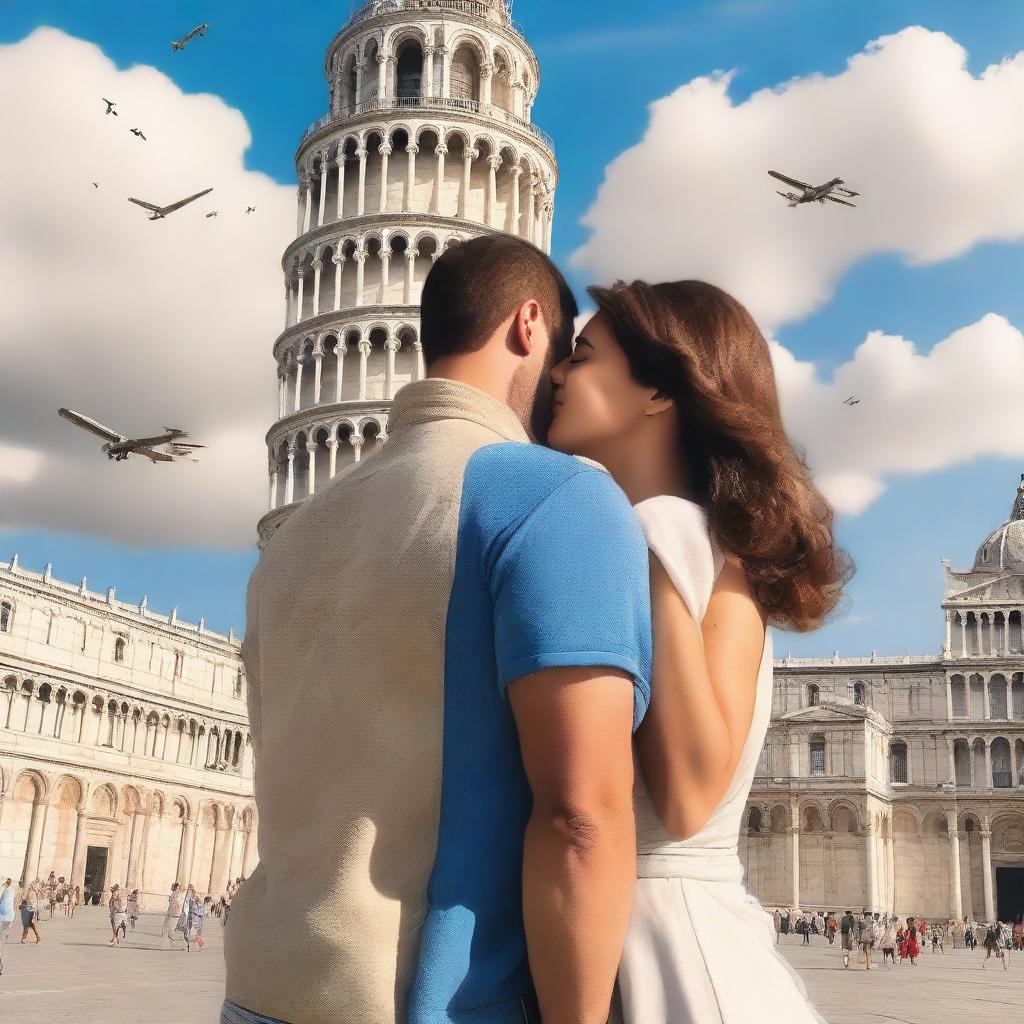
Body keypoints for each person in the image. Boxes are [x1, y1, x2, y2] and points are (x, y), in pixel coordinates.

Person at [223, 235, 653, 1024]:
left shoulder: (293, 541)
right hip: (426, 1000)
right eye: (564, 354)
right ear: (530, 325)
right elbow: (581, 816)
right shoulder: (551, 498)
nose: (563, 382)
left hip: (260, 990)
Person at [547, 279, 848, 1022]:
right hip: (699, 942)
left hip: (660, 947)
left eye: (581, 357)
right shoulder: (717, 546)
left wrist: (642, 553)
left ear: (657, 392)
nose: (557, 374)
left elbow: (684, 795)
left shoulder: (662, 531)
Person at [161, 883, 186, 950]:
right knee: (171, 931)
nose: (185, 891)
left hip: (173, 914)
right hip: (174, 915)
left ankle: (170, 945)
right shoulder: (177, 895)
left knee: (169, 930)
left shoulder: (176, 894)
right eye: (184, 889)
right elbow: (178, 904)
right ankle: (171, 945)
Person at [0, 878, 16, 975]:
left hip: (3, 918)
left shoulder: (4, 890)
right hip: (8, 918)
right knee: (1, 941)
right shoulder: (12, 891)